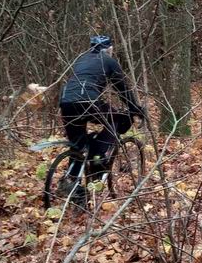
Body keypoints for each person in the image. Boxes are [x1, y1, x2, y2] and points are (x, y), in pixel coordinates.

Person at [57, 35, 146, 202]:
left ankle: (71, 182)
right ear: (109, 49)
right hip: (88, 101)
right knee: (117, 119)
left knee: (78, 144)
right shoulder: (108, 61)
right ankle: (98, 159)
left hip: (66, 103)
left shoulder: (82, 60)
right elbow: (123, 90)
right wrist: (136, 110)